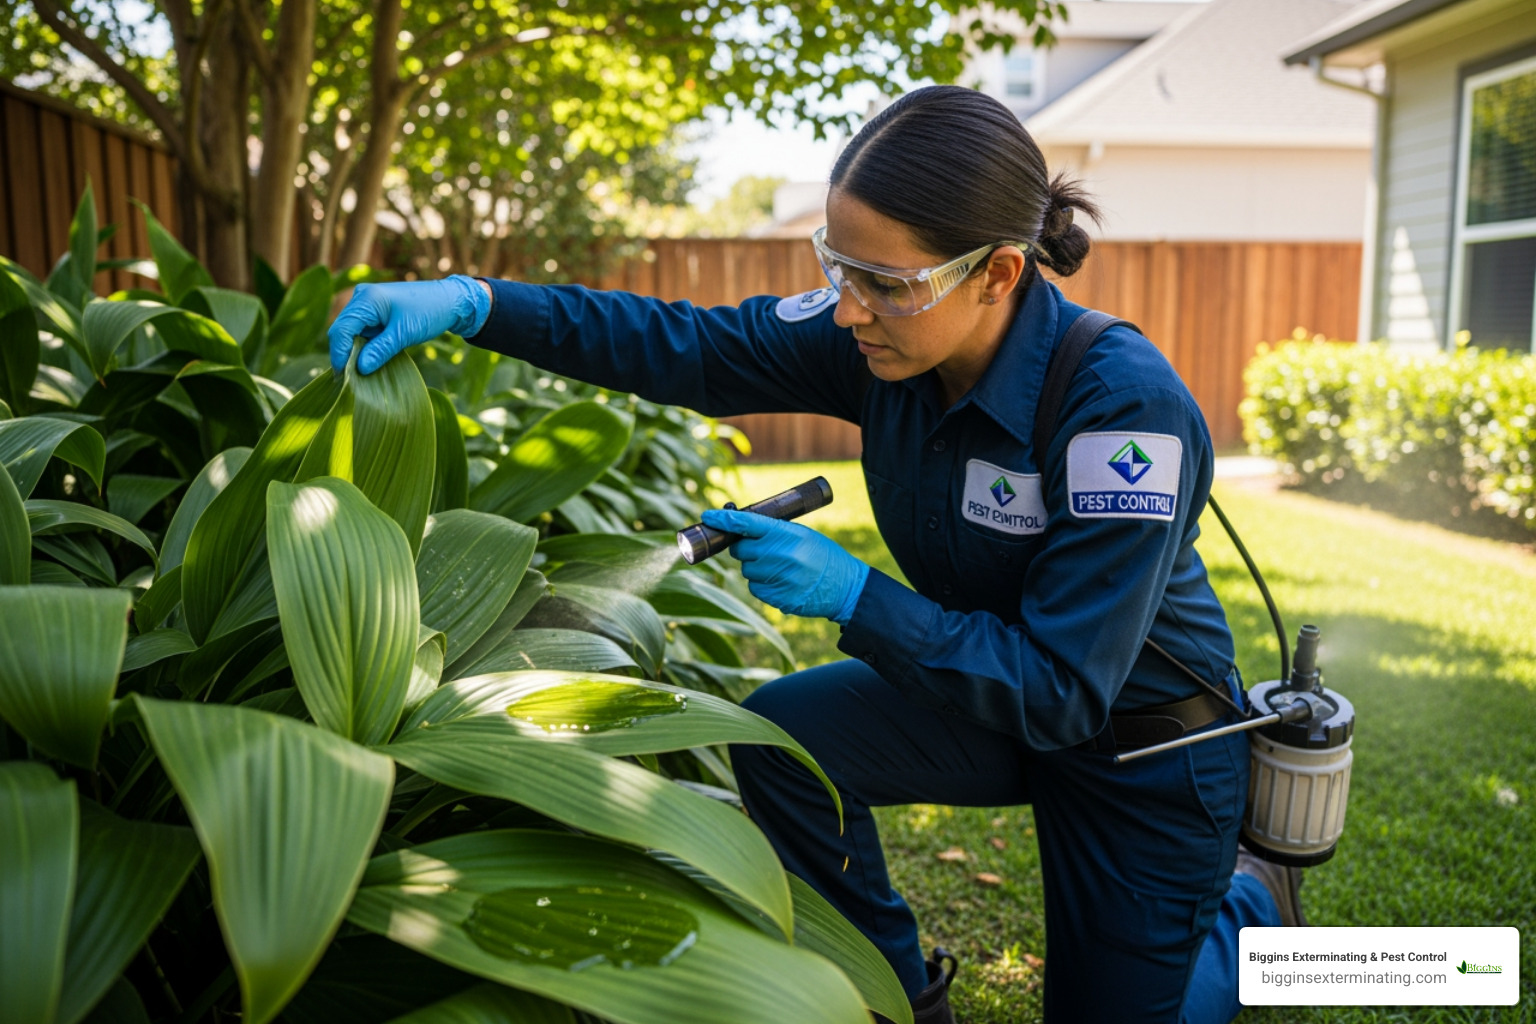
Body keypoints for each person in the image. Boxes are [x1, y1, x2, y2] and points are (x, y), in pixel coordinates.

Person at [327, 85, 1309, 1024]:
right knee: (786, 744)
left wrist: (854, 594)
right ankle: (900, 991)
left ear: (998, 272)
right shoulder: (881, 334)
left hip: (1137, 742)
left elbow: (1061, 688)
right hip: (987, 696)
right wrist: (473, 302)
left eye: (885, 282)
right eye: (837, 267)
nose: (848, 309)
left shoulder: (1120, 409)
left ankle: (1254, 911)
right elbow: (691, 347)